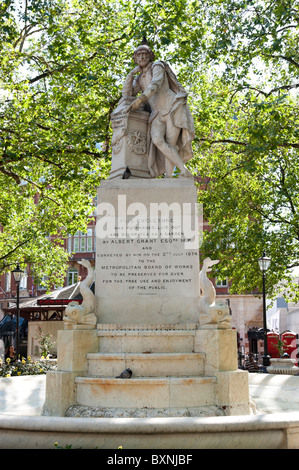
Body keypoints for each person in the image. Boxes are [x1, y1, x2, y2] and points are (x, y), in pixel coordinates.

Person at [122, 40, 195, 178]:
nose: (142, 57)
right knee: (157, 140)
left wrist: (141, 99)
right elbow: (127, 95)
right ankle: (183, 170)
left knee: (170, 144)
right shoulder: (138, 78)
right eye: (139, 55)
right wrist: (130, 75)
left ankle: (171, 177)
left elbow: (155, 84)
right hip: (156, 114)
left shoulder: (157, 66)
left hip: (171, 108)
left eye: (144, 54)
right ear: (135, 59)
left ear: (150, 56)